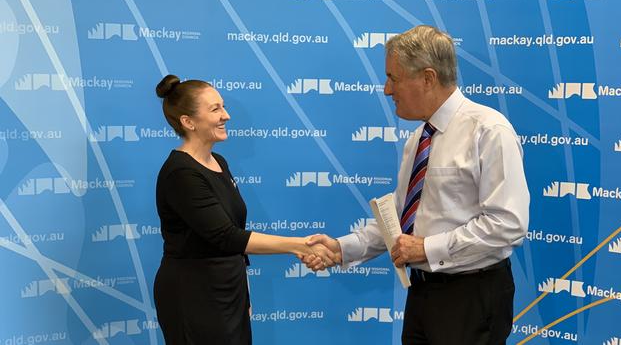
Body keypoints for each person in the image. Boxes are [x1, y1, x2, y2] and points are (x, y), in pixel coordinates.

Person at [304, 25, 530, 345]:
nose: (386, 89)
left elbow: (507, 224)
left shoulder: (489, 131)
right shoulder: (418, 139)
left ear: (427, 78)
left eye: (393, 78)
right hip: (423, 292)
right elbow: (396, 220)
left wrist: (425, 248)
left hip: (472, 298)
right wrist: (340, 248)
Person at [153, 75, 336, 345]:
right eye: (215, 109)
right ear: (188, 122)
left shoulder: (219, 162)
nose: (226, 115)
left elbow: (233, 237)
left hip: (228, 289)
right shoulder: (181, 173)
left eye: (223, 106)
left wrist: (244, 292)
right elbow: (227, 237)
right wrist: (301, 245)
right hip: (194, 294)